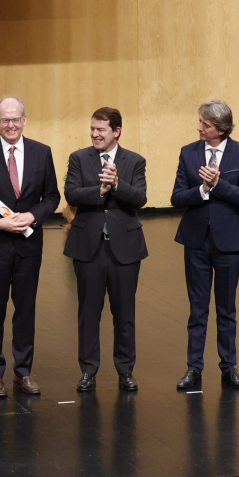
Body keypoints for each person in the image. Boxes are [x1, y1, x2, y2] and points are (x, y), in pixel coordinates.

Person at [0, 97, 61, 396]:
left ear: (24, 120)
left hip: (29, 248)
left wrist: (33, 215)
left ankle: (23, 372)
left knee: (25, 311)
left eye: (16, 119)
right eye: (5, 120)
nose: (11, 125)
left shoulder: (42, 152)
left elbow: (53, 197)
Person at [171, 101, 239, 391]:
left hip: (228, 242)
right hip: (195, 240)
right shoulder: (188, 152)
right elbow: (177, 198)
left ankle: (228, 367)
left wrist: (218, 184)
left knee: (226, 308)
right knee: (197, 309)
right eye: (200, 122)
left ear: (220, 128)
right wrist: (202, 189)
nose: (199, 128)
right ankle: (194, 368)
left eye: (204, 124)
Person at [64, 107, 148, 392]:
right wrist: (99, 191)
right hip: (88, 248)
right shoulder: (79, 158)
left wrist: (117, 184)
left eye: (101, 129)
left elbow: (140, 198)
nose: (95, 134)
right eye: (92, 129)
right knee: (89, 312)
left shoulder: (134, 161)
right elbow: (71, 193)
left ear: (116, 131)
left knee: (124, 313)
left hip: (124, 250)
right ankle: (88, 370)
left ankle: (125, 370)